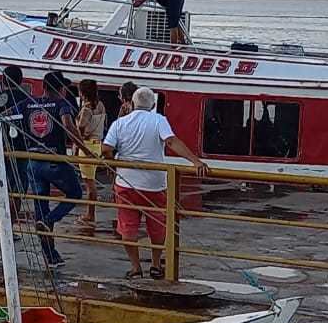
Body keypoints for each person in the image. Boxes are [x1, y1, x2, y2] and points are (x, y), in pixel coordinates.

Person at [102, 86, 209, 279]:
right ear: (153, 105)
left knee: (127, 227)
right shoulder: (159, 120)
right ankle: (156, 264)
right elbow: (170, 141)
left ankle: (135, 268)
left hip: (126, 183)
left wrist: (114, 163)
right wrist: (195, 161)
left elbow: (106, 148)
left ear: (133, 103)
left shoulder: (120, 123)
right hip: (155, 184)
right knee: (158, 226)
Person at [19, 71, 88, 267]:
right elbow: (68, 125)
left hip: (32, 161)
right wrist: (85, 150)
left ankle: (51, 256)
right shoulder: (62, 104)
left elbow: (7, 115)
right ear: (61, 88)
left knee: (40, 206)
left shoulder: (28, 103)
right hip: (54, 160)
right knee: (75, 194)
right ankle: (51, 219)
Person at [75, 79, 107, 228]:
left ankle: (90, 214)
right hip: (98, 145)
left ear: (82, 93)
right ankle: (90, 213)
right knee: (91, 181)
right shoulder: (101, 105)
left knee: (89, 183)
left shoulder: (86, 109)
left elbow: (80, 128)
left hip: (87, 145)